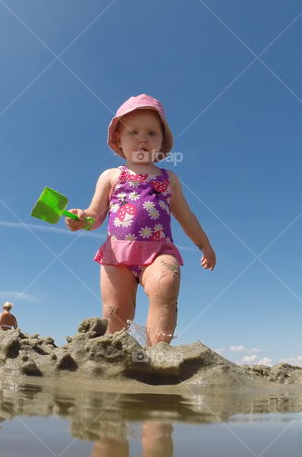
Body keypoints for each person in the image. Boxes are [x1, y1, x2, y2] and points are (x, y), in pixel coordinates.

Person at [66, 94, 216, 346]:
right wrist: (82, 219)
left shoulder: (170, 179)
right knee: (116, 313)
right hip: (117, 254)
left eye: (152, 133)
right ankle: (116, 358)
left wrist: (204, 245)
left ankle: (158, 354)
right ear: (118, 140)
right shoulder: (112, 176)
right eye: (133, 132)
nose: (143, 138)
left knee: (166, 283)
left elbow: (186, 217)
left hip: (159, 251)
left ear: (162, 143)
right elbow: (96, 215)